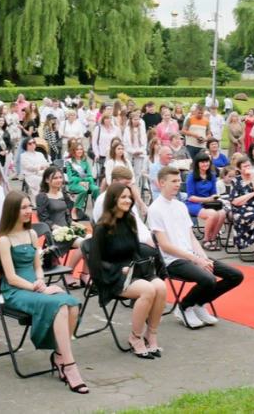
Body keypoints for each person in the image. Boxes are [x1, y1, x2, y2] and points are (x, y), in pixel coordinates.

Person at [0, 191, 87, 394]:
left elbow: (37, 266)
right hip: (15, 290)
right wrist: (37, 287)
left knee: (73, 305)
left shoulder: (32, 234)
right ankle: (69, 365)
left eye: (28, 207)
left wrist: (41, 280)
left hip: (35, 284)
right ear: (12, 211)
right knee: (58, 306)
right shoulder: (4, 240)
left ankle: (59, 354)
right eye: (23, 208)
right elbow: (11, 277)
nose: (28, 211)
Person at [149, 166, 243, 327]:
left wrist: (203, 257)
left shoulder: (180, 206)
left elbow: (191, 236)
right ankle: (184, 307)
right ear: (162, 183)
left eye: (179, 180)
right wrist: (196, 260)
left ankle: (199, 304)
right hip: (173, 261)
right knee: (209, 279)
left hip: (191, 256)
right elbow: (164, 245)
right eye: (174, 181)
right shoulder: (155, 209)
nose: (178, 184)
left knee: (236, 276)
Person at [91, 182, 167, 358]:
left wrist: (137, 265)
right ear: (113, 200)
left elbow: (134, 251)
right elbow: (96, 262)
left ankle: (151, 334)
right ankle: (135, 337)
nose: (128, 200)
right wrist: (121, 269)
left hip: (134, 270)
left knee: (161, 287)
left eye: (129, 197)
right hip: (113, 275)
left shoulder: (130, 220)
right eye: (123, 197)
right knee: (148, 290)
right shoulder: (101, 227)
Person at [36, 167, 89, 289]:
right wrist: (58, 228)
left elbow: (67, 217)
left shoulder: (63, 194)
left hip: (67, 230)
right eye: (55, 178)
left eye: (60, 177)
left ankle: (84, 274)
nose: (59, 180)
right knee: (84, 243)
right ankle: (68, 273)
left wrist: (75, 224)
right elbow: (44, 220)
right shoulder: (42, 197)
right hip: (54, 233)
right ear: (47, 180)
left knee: (92, 239)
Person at [185, 152, 225, 251]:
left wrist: (215, 197)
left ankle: (213, 239)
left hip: (209, 203)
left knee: (222, 213)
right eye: (202, 162)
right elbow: (190, 197)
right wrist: (206, 199)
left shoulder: (211, 175)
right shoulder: (192, 177)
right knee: (213, 214)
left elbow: (214, 192)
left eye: (207, 161)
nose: (205, 164)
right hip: (194, 203)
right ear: (197, 163)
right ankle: (206, 239)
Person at [66, 142, 99, 220]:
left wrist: (87, 181)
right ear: (73, 151)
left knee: (96, 189)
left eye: (81, 149)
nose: (79, 151)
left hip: (86, 182)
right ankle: (74, 210)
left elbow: (90, 175)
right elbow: (70, 177)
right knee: (83, 190)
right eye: (77, 149)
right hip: (74, 183)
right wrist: (80, 181)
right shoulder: (70, 162)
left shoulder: (85, 161)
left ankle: (99, 209)